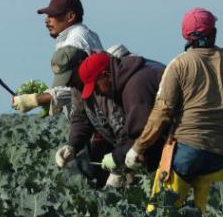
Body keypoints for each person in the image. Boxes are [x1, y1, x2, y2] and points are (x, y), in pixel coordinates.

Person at [124, 8, 223, 213]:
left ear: (186, 36)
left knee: (161, 213)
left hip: (184, 151)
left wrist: (138, 148)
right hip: (219, 153)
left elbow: (162, 112)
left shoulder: (179, 64)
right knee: (211, 216)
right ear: (214, 32)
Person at [54, 49, 165, 187]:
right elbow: (81, 119)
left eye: (70, 77)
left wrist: (118, 161)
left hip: (150, 148)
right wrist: (72, 145)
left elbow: (137, 131)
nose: (68, 84)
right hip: (130, 149)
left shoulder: (127, 85)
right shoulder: (84, 85)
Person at [11, 0, 103, 116]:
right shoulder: (79, 34)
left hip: (91, 119)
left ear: (70, 16)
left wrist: (36, 100)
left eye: (53, 15)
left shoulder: (75, 41)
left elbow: (75, 88)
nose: (46, 20)